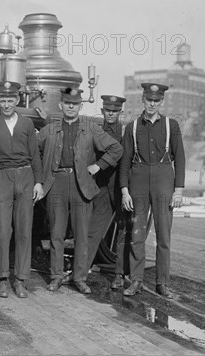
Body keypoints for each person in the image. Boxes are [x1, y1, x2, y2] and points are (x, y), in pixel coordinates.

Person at [38, 88, 122, 294]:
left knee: (82, 235)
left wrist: (98, 166)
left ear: (80, 107)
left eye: (75, 104)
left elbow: (116, 149)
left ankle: (80, 278)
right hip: (56, 183)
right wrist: (40, 178)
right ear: (61, 106)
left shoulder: (91, 129)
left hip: (81, 184)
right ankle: (56, 276)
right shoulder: (48, 130)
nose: (71, 107)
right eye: (67, 103)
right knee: (57, 233)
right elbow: (34, 153)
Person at [119, 83, 185, 298]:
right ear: (143, 100)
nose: (152, 104)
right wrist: (124, 190)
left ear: (161, 102)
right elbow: (125, 162)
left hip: (164, 180)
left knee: (164, 235)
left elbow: (181, 159)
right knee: (137, 234)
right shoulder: (132, 127)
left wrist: (179, 190)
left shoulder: (171, 125)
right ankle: (136, 280)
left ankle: (162, 283)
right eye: (149, 100)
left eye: (156, 101)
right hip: (138, 180)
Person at [0, 81, 44, 298]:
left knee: (24, 229)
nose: (6, 104)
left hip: (25, 176)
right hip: (0, 177)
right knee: (0, 230)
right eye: (3, 100)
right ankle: (2, 277)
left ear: (17, 101)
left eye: (10, 100)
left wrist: (38, 182)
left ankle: (21, 279)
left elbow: (35, 154)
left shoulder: (26, 124)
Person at [84, 95, 127, 290]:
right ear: (102, 111)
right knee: (93, 232)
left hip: (122, 189)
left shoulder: (127, 132)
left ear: (120, 112)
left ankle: (119, 275)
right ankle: (81, 272)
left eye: (115, 110)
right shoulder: (96, 130)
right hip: (102, 189)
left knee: (123, 232)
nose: (111, 113)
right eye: (108, 110)